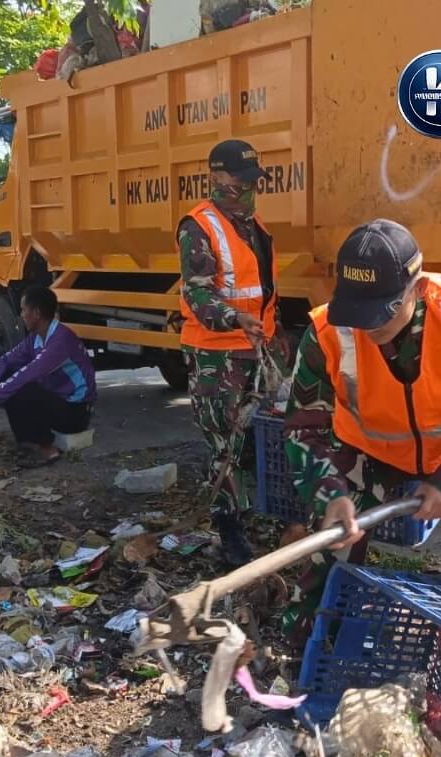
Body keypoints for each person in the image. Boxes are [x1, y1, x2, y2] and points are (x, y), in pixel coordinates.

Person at [281, 219, 441, 639]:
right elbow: (303, 427)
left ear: (417, 289)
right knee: (331, 553)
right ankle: (310, 645)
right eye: (357, 310)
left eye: (381, 311)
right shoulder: (326, 331)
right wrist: (331, 494)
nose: (367, 327)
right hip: (364, 453)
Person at [179, 138, 281, 567]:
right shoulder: (199, 226)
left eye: (251, 181)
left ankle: (252, 516)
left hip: (253, 349)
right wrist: (234, 319)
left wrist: (271, 336)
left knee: (253, 440)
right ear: (217, 178)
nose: (248, 188)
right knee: (227, 446)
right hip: (216, 356)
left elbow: (262, 292)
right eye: (239, 181)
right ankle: (229, 533)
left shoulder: (253, 226)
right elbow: (199, 295)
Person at [0, 287, 95, 469]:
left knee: (24, 387)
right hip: (58, 401)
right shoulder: (35, 338)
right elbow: (5, 362)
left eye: (24, 310)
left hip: (76, 410)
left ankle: (48, 450)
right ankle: (27, 444)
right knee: (9, 376)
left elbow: (30, 372)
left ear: (36, 313)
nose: (21, 314)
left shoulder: (61, 340)